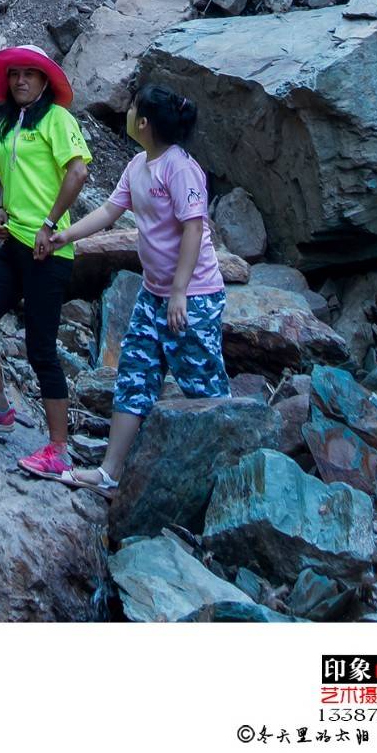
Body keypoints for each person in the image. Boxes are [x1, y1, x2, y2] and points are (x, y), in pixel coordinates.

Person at [55, 82, 228, 492]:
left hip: (195, 296)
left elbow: (192, 230)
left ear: (144, 122)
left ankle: (227, 473)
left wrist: (180, 291)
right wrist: (65, 235)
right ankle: (110, 473)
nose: (128, 113)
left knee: (202, 384)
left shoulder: (180, 167)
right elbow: (108, 211)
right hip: (152, 295)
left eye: (133, 109)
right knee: (135, 375)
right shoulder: (138, 165)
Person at [0, 46, 91, 480]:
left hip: (48, 251)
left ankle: (59, 450)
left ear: (45, 80)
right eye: (15, 75)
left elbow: (77, 172)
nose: (20, 81)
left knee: (41, 350)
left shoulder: (57, 120)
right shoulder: (9, 125)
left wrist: (50, 224)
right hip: (14, 243)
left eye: (30, 74)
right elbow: (7, 175)